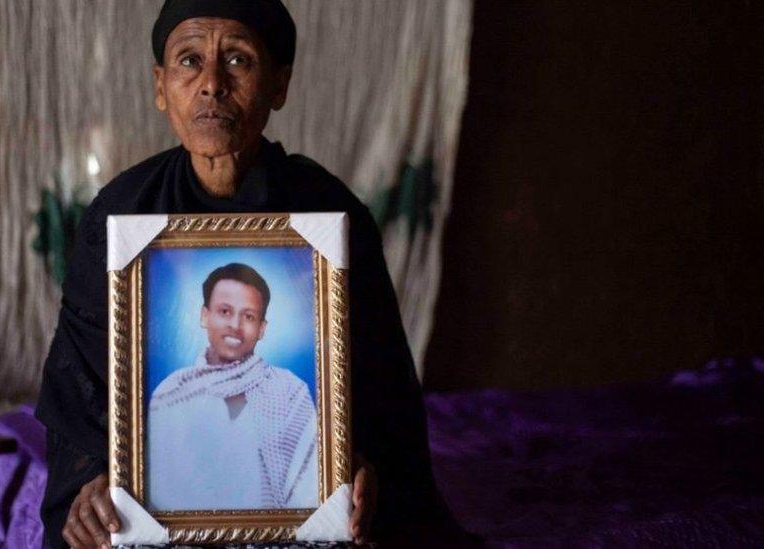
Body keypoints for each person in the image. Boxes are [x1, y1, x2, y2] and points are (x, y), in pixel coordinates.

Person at [36, 0, 477, 547]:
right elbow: (81, 383)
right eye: (189, 60)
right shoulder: (119, 215)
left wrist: (355, 468)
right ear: (160, 85)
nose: (212, 84)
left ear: (279, 86)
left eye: (239, 61)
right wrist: (90, 480)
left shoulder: (329, 216)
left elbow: (379, 383)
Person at [147, 263, 318, 511]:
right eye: (225, 311)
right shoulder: (170, 393)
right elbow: (159, 493)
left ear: (262, 329)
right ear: (205, 316)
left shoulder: (290, 391)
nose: (235, 325)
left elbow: (309, 490)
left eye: (248, 316)